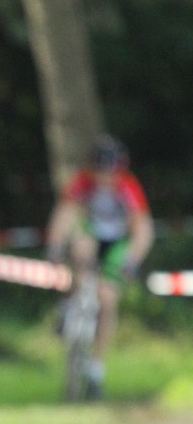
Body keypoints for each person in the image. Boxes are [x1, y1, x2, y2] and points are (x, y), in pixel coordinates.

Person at [46, 133, 154, 397]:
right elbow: (64, 214)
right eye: (99, 171)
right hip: (91, 236)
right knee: (81, 246)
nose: (105, 177)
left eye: (110, 172)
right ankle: (68, 302)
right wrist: (55, 246)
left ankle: (96, 367)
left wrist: (132, 260)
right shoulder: (81, 182)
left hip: (117, 243)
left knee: (107, 299)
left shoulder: (128, 186)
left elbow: (143, 229)